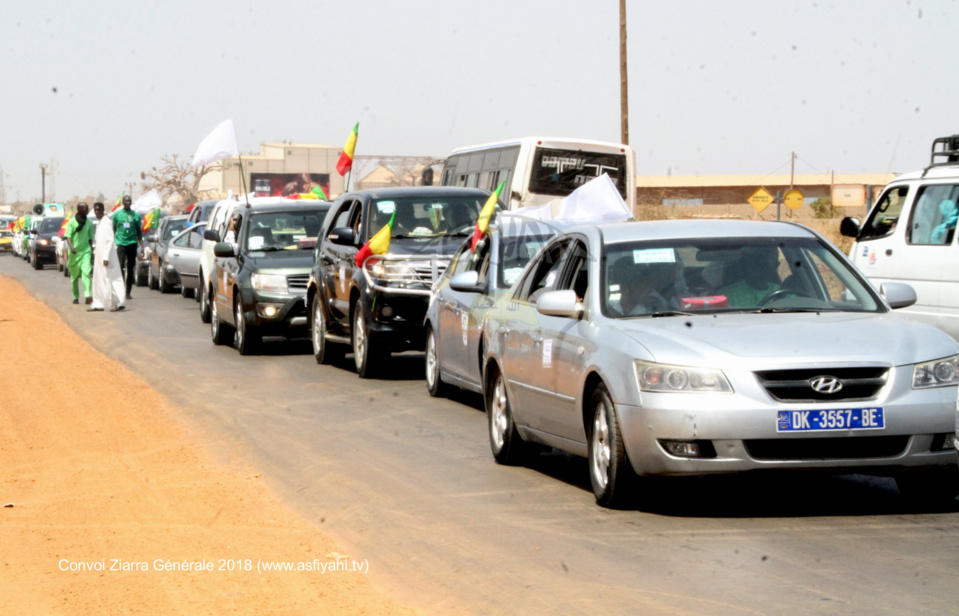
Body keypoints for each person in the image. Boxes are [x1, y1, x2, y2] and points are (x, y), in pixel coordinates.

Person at [89, 202, 126, 312]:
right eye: (95, 210)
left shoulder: (106, 222)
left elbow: (110, 240)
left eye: (98, 210)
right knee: (99, 280)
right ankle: (98, 304)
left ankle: (119, 302)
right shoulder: (100, 223)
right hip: (100, 256)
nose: (97, 212)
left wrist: (106, 257)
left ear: (103, 210)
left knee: (113, 279)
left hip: (108, 257)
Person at [112, 195, 143, 300]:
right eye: (126, 201)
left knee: (130, 268)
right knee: (120, 266)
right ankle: (120, 289)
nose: (128, 202)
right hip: (121, 243)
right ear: (122, 202)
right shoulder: (117, 215)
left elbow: (139, 231)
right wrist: (113, 242)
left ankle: (128, 292)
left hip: (132, 243)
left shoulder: (135, 215)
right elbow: (114, 229)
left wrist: (141, 245)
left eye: (130, 201)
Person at [64, 202, 94, 305]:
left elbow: (90, 238)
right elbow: (67, 236)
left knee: (86, 273)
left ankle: (87, 296)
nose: (87, 210)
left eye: (87, 208)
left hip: (85, 251)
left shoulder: (89, 222)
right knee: (74, 277)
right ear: (79, 209)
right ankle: (75, 297)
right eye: (84, 208)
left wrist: (91, 251)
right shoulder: (72, 222)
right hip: (74, 253)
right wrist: (71, 248)